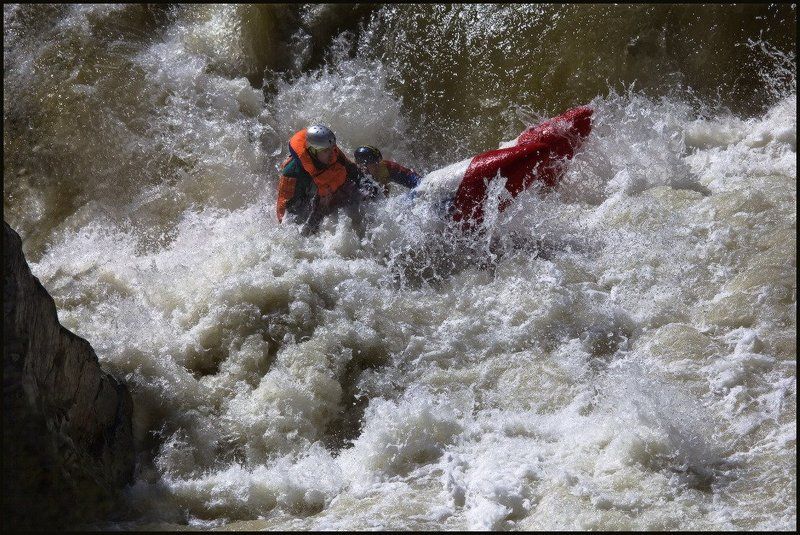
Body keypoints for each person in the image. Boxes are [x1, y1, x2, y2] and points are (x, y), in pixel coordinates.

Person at [276, 125, 377, 235]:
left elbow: (352, 170)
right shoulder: (293, 172)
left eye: (332, 149)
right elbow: (285, 211)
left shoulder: (331, 151)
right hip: (312, 205)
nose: (331, 154)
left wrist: (368, 185)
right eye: (326, 151)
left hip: (333, 195)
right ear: (312, 151)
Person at [353, 145, 421, 196]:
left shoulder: (388, 167)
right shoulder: (355, 176)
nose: (378, 166)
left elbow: (414, 180)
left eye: (378, 162)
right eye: (374, 164)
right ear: (363, 166)